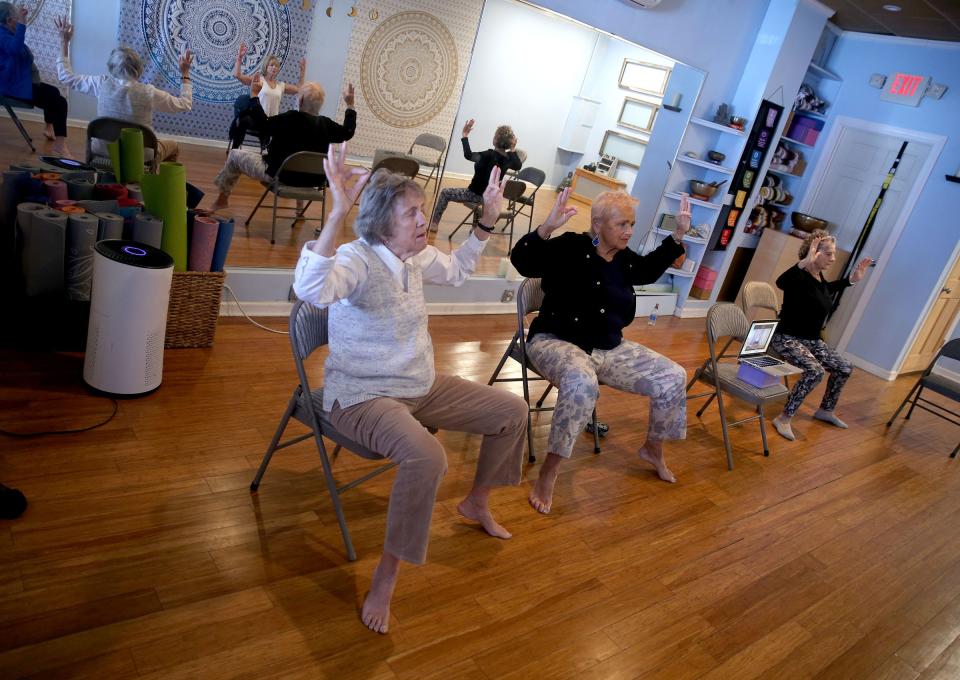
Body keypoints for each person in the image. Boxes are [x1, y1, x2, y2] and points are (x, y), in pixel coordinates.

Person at [292, 143, 527, 635]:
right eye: (413, 213)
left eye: (423, 211)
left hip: (418, 386)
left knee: (512, 411)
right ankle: (386, 576)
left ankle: (476, 502)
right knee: (428, 457)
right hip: (360, 396)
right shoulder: (357, 259)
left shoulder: (417, 259)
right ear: (382, 224)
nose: (424, 221)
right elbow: (313, 291)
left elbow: (459, 270)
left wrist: (485, 222)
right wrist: (336, 213)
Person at [510, 189, 692, 514]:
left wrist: (677, 235)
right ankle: (549, 470)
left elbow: (648, 270)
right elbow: (524, 262)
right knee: (582, 383)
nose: (628, 231)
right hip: (556, 340)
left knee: (672, 376)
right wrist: (546, 228)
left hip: (607, 346)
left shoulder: (622, 259)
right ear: (597, 224)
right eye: (622, 224)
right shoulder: (570, 247)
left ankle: (652, 447)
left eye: (631, 224)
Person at [770, 230, 872, 440]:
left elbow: (823, 290)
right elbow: (781, 282)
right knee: (815, 371)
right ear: (814, 252)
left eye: (833, 254)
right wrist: (804, 261)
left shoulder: (818, 277)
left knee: (844, 368)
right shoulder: (798, 276)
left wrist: (851, 281)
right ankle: (784, 418)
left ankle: (825, 410)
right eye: (828, 253)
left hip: (812, 340)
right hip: (786, 337)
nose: (833, 258)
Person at [54, 16, 192, 162]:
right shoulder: (149, 93)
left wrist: (64, 42)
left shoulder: (101, 84)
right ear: (138, 70)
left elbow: (65, 77)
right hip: (140, 157)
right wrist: (185, 73)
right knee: (174, 146)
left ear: (111, 68)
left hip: (103, 151)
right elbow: (185, 104)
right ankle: (150, 181)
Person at [211, 82, 356, 210]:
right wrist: (350, 104)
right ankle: (300, 210)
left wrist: (254, 96)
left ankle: (221, 201)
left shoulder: (290, 118)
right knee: (303, 161)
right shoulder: (327, 124)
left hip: (281, 176)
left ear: (300, 100)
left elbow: (263, 124)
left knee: (234, 155)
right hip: (311, 181)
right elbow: (347, 132)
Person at [0, 2, 71, 156]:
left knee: (54, 92)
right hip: (13, 87)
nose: (17, 21)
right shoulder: (1, 35)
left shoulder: (7, 34)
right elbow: (14, 49)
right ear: (7, 21)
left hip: (20, 83)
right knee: (59, 101)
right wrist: (22, 24)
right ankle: (60, 145)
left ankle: (48, 128)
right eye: (15, 19)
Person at [428, 118, 521, 232]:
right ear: (509, 143)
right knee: (480, 200)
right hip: (490, 198)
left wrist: (465, 135)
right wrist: (513, 149)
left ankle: (434, 224)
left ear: (495, 139)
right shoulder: (508, 159)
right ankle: (475, 227)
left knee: (445, 193)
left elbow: (469, 155)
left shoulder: (487, 155)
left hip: (474, 194)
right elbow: (518, 166)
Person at [228, 43, 305, 150]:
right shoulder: (259, 80)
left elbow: (299, 89)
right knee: (244, 120)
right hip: (257, 119)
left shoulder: (281, 85)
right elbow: (238, 76)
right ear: (266, 66)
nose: (274, 67)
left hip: (271, 122)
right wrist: (239, 58)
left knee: (288, 125)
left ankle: (273, 153)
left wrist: (302, 71)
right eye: (271, 65)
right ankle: (234, 150)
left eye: (276, 66)